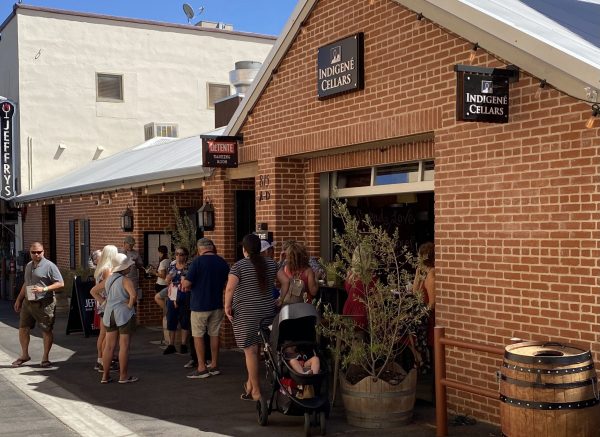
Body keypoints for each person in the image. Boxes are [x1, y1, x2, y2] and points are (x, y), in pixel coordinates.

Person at [225, 234, 287, 401]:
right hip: (267, 312)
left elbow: (230, 289)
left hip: (246, 314)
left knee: (251, 352)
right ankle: (250, 385)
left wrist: (227, 306)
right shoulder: (271, 263)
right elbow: (286, 282)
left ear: (244, 249)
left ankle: (256, 391)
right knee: (258, 348)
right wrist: (280, 299)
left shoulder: (239, 266)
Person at [11, 242, 64, 368]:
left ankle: (45, 358)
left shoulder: (49, 266)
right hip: (28, 302)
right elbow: (26, 283)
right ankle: (24, 355)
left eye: (39, 252)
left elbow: (60, 283)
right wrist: (19, 299)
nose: (36, 254)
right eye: (33, 252)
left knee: (46, 330)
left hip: (44, 303)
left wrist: (44, 289)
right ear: (30, 253)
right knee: (23, 328)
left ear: (43, 252)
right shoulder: (29, 265)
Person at [182, 238, 229, 378]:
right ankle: (214, 365)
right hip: (217, 304)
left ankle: (201, 367)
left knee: (198, 335)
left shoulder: (197, 262)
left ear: (199, 249)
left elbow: (186, 284)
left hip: (199, 305)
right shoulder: (222, 262)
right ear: (212, 247)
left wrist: (184, 282)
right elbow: (227, 282)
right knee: (214, 334)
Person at [100, 253, 138, 384]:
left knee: (109, 346)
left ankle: (105, 376)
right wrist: (129, 305)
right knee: (124, 346)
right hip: (123, 314)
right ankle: (123, 376)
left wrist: (103, 302)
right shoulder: (126, 280)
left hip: (109, 313)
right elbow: (133, 296)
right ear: (124, 267)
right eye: (128, 266)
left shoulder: (109, 279)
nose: (130, 267)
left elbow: (94, 290)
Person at [90, 244, 119, 372]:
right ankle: (104, 361)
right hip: (107, 305)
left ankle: (100, 360)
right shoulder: (107, 269)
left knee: (103, 334)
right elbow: (108, 287)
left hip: (103, 305)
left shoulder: (101, 268)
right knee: (107, 335)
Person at [163, 247, 191, 355]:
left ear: (186, 256)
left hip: (184, 294)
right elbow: (167, 280)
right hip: (173, 295)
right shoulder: (172, 265)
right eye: (177, 254)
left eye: (181, 254)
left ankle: (183, 344)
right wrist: (167, 279)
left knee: (184, 319)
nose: (178, 256)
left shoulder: (189, 266)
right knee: (171, 318)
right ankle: (171, 344)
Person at [342, 245, 375, 331]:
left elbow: (348, 289)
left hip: (348, 313)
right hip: (362, 315)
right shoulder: (371, 277)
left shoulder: (352, 275)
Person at [413, 242, 435, 347]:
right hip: (423, 314)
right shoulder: (424, 272)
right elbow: (415, 292)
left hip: (428, 319)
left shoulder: (431, 275)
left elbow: (432, 303)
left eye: (419, 256)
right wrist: (417, 275)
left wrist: (420, 315)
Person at [120, 236, 144, 303]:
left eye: (132, 244)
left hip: (132, 279)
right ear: (124, 243)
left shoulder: (136, 253)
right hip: (121, 279)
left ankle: (132, 309)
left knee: (133, 297)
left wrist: (136, 262)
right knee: (122, 297)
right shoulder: (119, 253)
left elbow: (141, 266)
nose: (131, 246)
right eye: (130, 244)